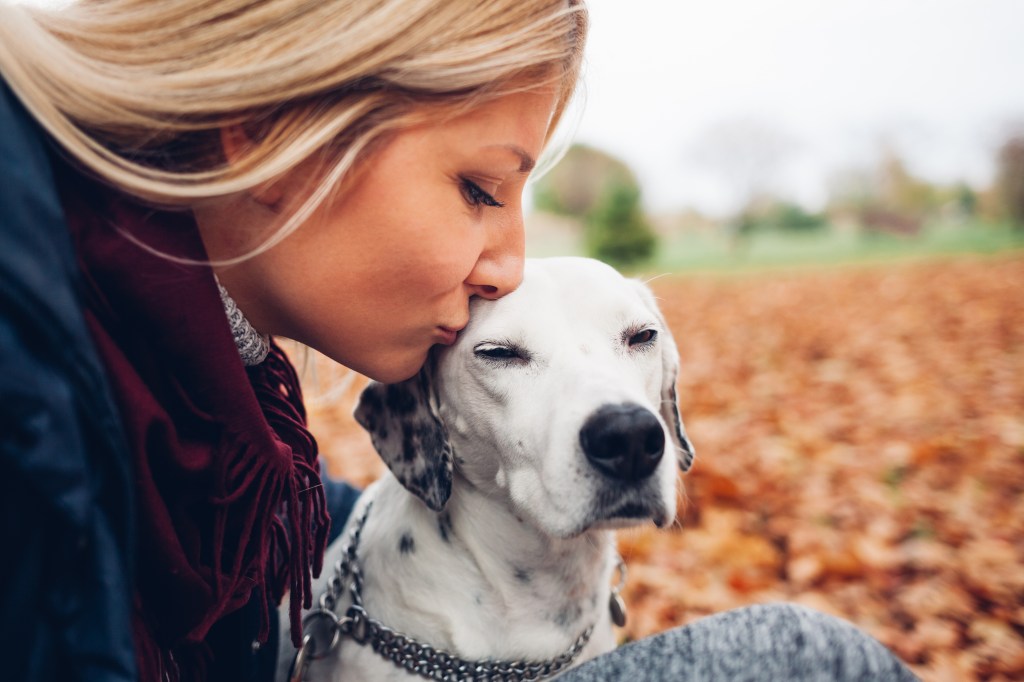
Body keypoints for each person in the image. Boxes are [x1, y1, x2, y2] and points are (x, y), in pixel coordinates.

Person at [0, 0, 917, 681]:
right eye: (481, 189)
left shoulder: (199, 398)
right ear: (273, 137)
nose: (509, 265)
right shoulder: (28, 377)